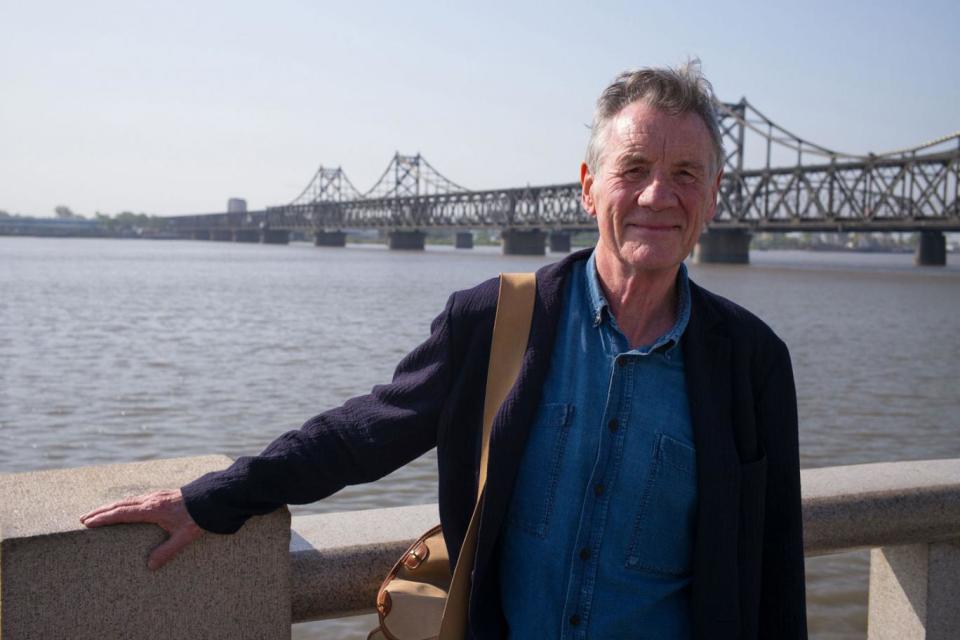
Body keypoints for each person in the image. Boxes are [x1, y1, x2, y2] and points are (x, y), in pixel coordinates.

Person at [81, 61, 807, 639]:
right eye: (634, 168)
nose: (658, 194)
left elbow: (773, 564)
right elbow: (365, 433)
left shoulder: (751, 363)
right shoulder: (497, 319)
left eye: (686, 175)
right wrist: (216, 498)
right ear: (589, 189)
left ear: (713, 198)